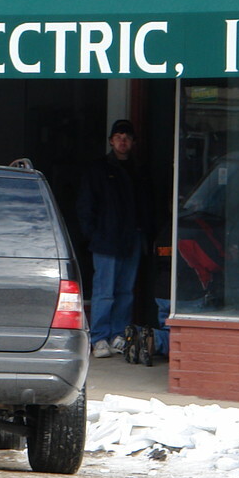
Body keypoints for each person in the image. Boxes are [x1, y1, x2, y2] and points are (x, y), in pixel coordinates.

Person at [76, 119, 150, 357]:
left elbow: (148, 206)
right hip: (106, 241)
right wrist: (93, 235)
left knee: (125, 292)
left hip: (132, 240)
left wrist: (145, 232)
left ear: (133, 142)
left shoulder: (140, 169)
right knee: (104, 292)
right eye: (118, 137)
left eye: (127, 137)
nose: (123, 141)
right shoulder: (98, 169)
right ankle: (99, 338)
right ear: (111, 141)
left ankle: (119, 336)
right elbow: (86, 206)